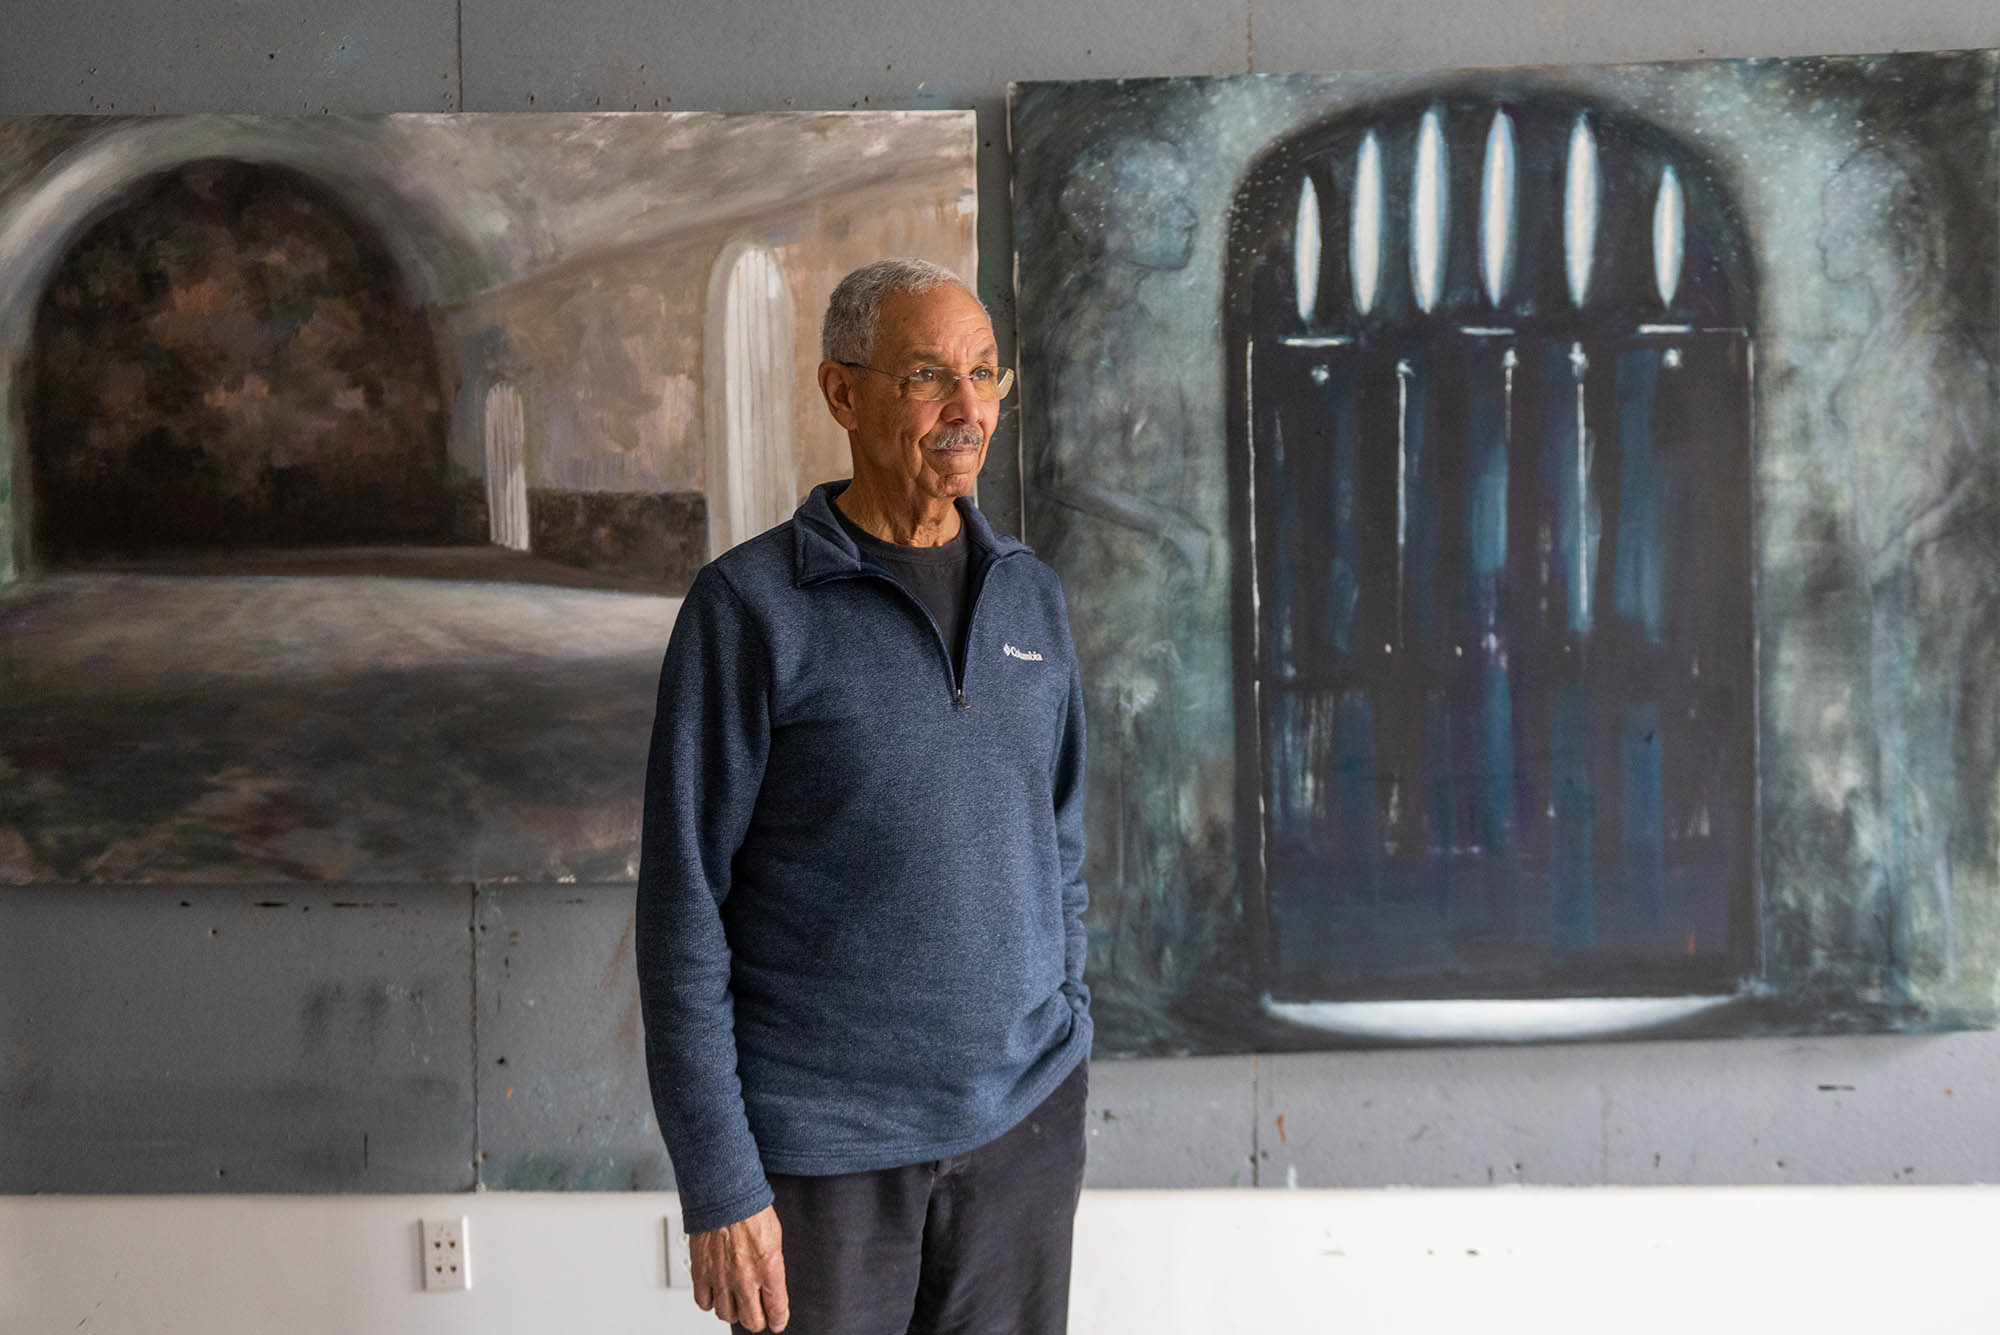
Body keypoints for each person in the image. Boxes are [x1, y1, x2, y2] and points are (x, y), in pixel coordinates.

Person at [636, 257, 1093, 1335]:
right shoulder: (746, 609)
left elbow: (1058, 845)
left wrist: (1064, 1023)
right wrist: (719, 1181)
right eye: (929, 374)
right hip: (820, 1155)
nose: (965, 408)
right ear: (842, 393)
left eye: (985, 375)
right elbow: (680, 911)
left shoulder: (1030, 591)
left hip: (1022, 1129)